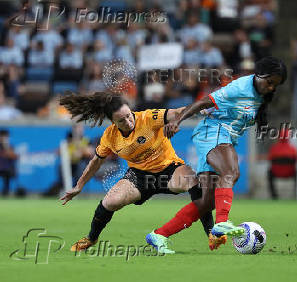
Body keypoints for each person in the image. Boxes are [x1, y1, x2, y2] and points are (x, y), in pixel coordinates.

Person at [59, 91, 221, 254]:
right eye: (121, 121)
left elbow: (177, 112)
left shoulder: (148, 118)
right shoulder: (110, 136)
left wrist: (203, 108)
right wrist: (78, 186)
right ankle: (91, 238)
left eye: (129, 116)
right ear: (113, 122)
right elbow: (95, 162)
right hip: (139, 176)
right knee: (111, 202)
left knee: (192, 180)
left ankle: (211, 233)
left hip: (169, 169)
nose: (128, 122)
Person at [159, 56, 287, 240]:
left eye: (276, 85)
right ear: (259, 75)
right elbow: (203, 102)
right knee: (231, 172)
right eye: (270, 82)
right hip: (213, 132)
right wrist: (177, 121)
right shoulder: (239, 88)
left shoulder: (262, 95)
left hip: (217, 136)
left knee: (207, 202)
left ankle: (159, 235)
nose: (271, 87)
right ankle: (221, 223)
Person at [267, 129, 297, 200]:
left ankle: (274, 196)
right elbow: (296, 160)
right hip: (290, 173)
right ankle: (296, 194)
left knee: (269, 172)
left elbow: (269, 159)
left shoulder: (274, 148)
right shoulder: (293, 149)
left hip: (276, 173)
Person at [0, 129, 18, 196]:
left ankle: (5, 193)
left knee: (7, 173)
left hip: (5, 169)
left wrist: (6, 146)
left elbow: (13, 156)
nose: (4, 138)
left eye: (6, 137)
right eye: (3, 136)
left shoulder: (9, 146)